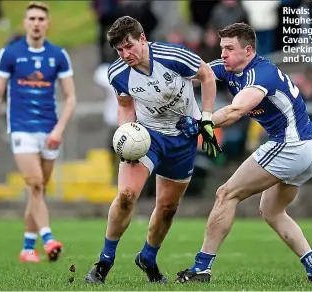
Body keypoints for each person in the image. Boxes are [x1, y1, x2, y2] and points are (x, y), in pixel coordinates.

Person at [175, 23, 312, 283]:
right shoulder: (230, 66)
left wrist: (201, 123)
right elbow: (195, 74)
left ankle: (201, 269)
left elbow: (235, 111)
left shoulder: (260, 75)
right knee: (272, 211)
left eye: (229, 48)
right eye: (222, 47)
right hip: (307, 148)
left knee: (226, 194)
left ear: (248, 51)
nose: (223, 54)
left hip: (290, 146)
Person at [84, 15, 220, 284]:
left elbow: (207, 75)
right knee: (125, 195)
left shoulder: (174, 56)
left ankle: (148, 257)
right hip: (147, 137)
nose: (125, 54)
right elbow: (125, 106)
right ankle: (104, 262)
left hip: (183, 137)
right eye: (119, 50)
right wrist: (126, 135)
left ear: (142, 38)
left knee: (167, 207)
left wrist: (205, 117)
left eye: (129, 46)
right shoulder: (118, 73)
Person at [0, 2, 76, 263]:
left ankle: (27, 248)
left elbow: (70, 98)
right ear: (25, 22)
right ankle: (48, 239)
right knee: (34, 183)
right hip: (21, 128)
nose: (36, 23)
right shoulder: (10, 54)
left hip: (50, 130)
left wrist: (59, 129)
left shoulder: (58, 55)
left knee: (39, 191)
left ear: (47, 23)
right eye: (32, 18)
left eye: (41, 18)